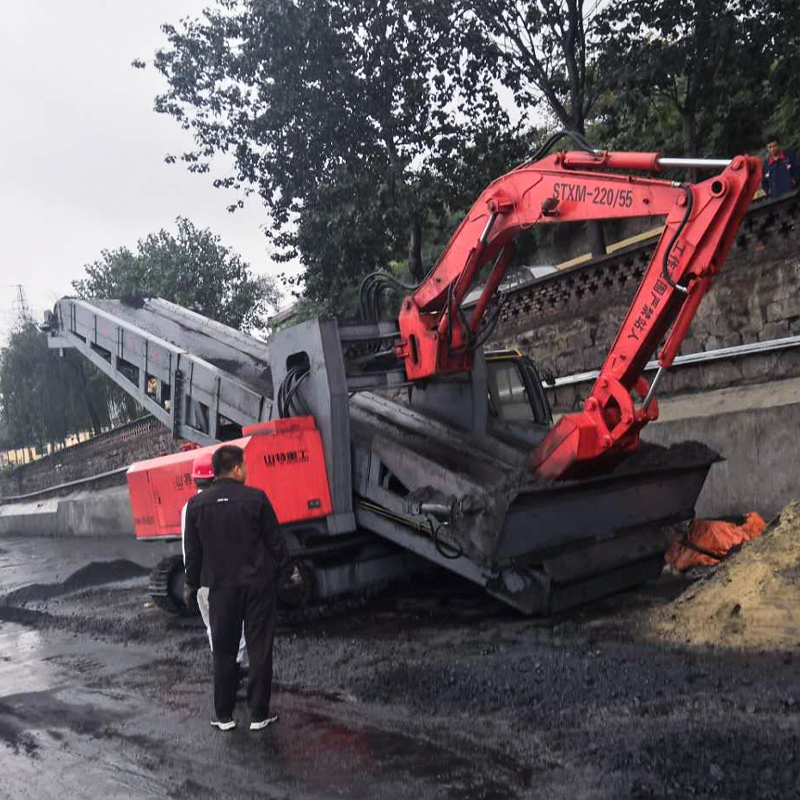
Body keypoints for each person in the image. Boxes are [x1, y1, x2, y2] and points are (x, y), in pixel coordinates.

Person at [183, 444, 287, 732]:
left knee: (224, 651)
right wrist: (283, 576)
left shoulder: (196, 506)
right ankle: (258, 715)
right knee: (259, 649)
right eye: (245, 466)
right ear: (238, 468)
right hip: (257, 586)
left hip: (221, 589)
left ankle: (224, 715)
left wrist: (192, 585)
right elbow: (277, 543)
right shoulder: (256, 499)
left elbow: (193, 553)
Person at [181, 452, 246, 667]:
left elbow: (190, 549)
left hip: (202, 580)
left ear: (194, 479)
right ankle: (238, 668)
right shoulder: (227, 502)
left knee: (213, 625)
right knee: (237, 623)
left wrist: (190, 582)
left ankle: (223, 667)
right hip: (229, 578)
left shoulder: (188, 508)